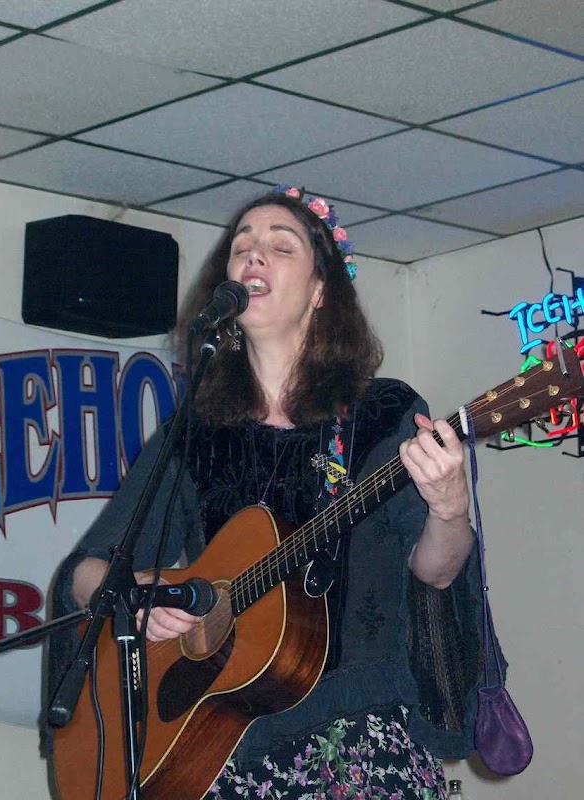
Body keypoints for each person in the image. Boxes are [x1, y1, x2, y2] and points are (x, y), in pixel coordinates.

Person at [47, 186, 485, 799]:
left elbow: (436, 571)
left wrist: (451, 507)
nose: (254, 255)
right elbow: (86, 571)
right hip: (221, 746)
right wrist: (138, 595)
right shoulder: (195, 434)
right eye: (242, 246)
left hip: (357, 741)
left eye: (281, 246)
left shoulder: (382, 413)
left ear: (320, 291)